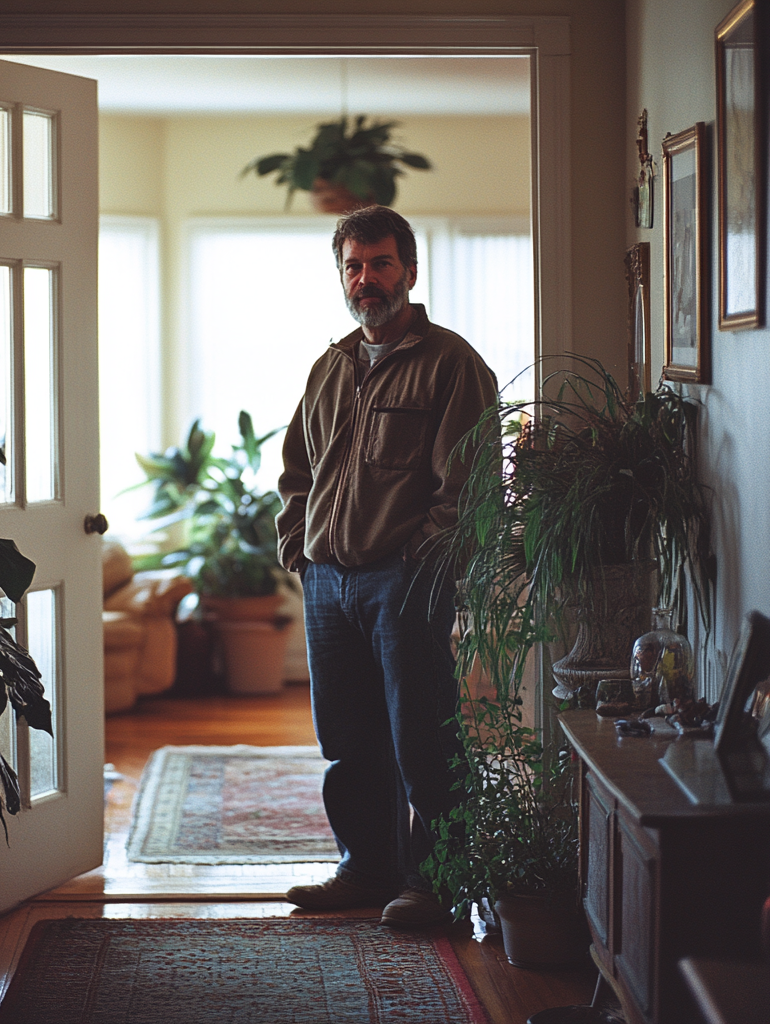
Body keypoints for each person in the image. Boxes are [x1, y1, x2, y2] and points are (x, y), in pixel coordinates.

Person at [276, 205, 497, 929]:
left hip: (400, 582)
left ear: (409, 270)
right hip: (328, 583)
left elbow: (467, 487)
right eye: (353, 266)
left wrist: (415, 564)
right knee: (347, 742)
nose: (365, 279)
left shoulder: (451, 364)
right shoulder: (330, 366)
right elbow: (296, 472)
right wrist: (299, 553)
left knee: (422, 737)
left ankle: (434, 884)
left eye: (379, 264)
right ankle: (364, 870)